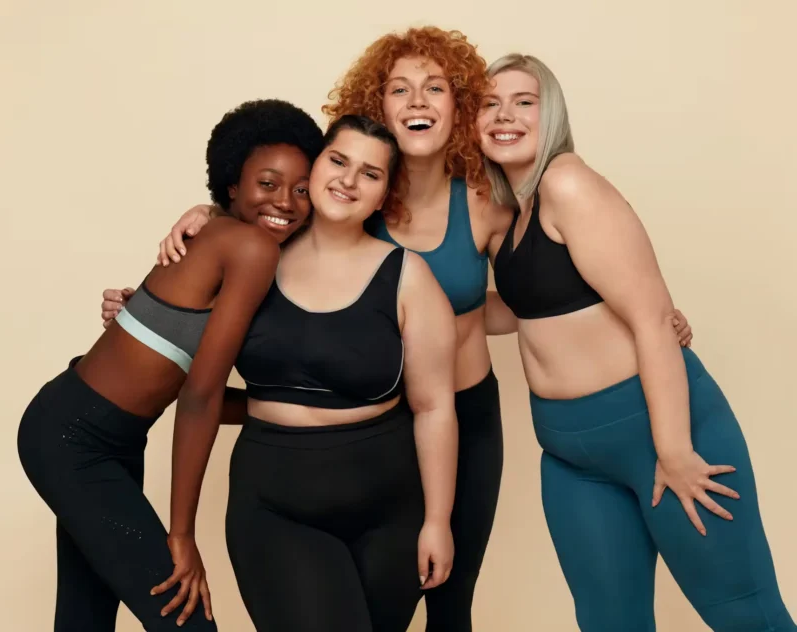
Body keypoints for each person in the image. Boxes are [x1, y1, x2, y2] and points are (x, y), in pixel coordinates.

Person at [100, 26, 694, 631]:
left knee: (448, 600)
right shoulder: (344, 201)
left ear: (458, 107)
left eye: (434, 88)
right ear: (373, 104)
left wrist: (644, 309)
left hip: (462, 410)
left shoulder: (488, 202)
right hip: (379, 420)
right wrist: (201, 225)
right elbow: (264, 215)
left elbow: (547, 281)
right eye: (399, 89)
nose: (416, 101)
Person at [479, 53, 795, 631]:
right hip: (570, 456)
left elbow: (652, 319)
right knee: (608, 622)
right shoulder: (514, 211)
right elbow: (531, 310)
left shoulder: (567, 181)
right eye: (489, 103)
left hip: (658, 433)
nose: (506, 115)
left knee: (746, 614)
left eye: (525, 102)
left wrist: (673, 451)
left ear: (551, 115)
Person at [16, 98, 324, 631]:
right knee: (185, 622)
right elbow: (200, 397)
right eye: (268, 183)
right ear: (232, 183)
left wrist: (305, 408)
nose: (287, 201)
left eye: (301, 189)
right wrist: (181, 535)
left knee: (84, 617)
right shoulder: (252, 248)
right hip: (74, 440)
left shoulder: (228, 235)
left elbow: (191, 376)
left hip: (96, 432)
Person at [220, 114, 458, 632]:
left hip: (390, 513)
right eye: (339, 160)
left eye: (370, 174)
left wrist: (437, 521)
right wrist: (137, 311)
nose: (349, 181)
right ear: (315, 165)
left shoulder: (407, 276)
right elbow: (185, 347)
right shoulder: (254, 253)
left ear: (383, 196)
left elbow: (435, 406)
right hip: (274, 503)